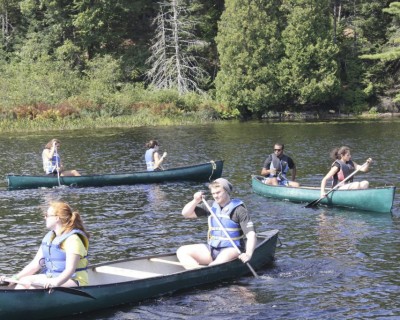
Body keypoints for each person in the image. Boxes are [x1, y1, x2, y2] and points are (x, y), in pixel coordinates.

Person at [0, 201, 89, 289]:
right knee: (23, 282)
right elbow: (35, 265)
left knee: (31, 288)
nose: (45, 217)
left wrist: (55, 283)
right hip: (52, 277)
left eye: (47, 215)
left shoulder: (73, 239)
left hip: (74, 280)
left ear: (57, 218)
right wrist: (15, 278)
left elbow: (70, 270)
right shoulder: (49, 237)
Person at [176, 178, 257, 268]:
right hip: (212, 248)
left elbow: (251, 235)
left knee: (214, 265)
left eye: (218, 192)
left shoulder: (239, 210)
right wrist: (195, 201)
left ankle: (207, 271)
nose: (215, 196)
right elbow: (186, 214)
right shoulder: (210, 205)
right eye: (213, 193)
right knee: (182, 251)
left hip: (232, 249)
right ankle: (195, 272)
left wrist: (248, 254)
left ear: (226, 191)